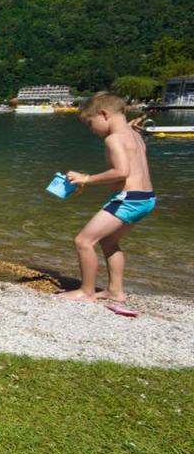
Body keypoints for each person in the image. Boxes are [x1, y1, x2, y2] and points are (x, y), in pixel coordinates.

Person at [56, 91, 155, 304]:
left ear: (104, 114)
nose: (92, 130)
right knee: (109, 241)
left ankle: (87, 292)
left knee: (83, 241)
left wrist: (86, 179)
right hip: (146, 198)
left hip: (128, 199)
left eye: (91, 123)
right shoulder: (134, 134)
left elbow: (121, 171)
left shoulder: (114, 139)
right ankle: (115, 291)